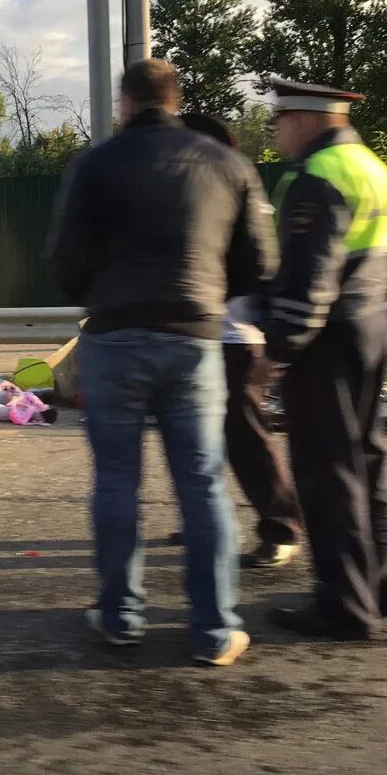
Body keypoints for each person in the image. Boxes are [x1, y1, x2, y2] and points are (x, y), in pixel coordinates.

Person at [47, 59, 277, 667]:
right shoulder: (226, 163)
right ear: (174, 102)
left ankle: (121, 617)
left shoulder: (95, 165)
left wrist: (107, 291)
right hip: (194, 340)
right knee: (201, 482)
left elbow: (64, 261)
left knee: (117, 479)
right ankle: (214, 630)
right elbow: (259, 264)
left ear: (126, 104)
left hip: (114, 336)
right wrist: (205, 292)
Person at [262, 78, 387, 641]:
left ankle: (343, 606)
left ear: (307, 119)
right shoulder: (371, 166)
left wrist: (279, 352)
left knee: (326, 473)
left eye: (279, 120)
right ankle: (375, 587)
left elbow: (309, 281)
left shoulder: (317, 177)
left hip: (330, 339)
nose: (277, 131)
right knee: (369, 462)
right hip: (374, 327)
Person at [178, 112, 303, 568]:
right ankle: (206, 518)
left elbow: (263, 270)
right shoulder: (206, 190)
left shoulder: (235, 189)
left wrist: (272, 342)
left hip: (235, 338)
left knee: (247, 439)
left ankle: (282, 527)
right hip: (204, 335)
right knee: (197, 438)